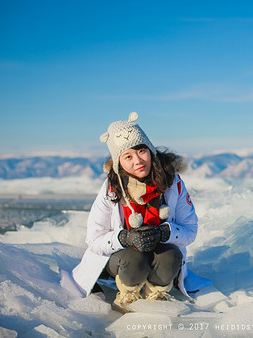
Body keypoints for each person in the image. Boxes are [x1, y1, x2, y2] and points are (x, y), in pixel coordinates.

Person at [64, 112, 206, 312]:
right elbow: (94, 240)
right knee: (134, 258)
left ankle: (157, 294)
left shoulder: (173, 183)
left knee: (170, 256)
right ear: (118, 162)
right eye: (128, 156)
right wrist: (125, 238)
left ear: (150, 150)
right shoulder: (111, 188)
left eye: (141, 151)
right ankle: (128, 295)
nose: (138, 161)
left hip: (158, 255)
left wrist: (166, 232)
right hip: (123, 258)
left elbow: (190, 230)